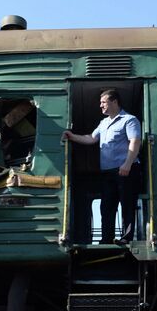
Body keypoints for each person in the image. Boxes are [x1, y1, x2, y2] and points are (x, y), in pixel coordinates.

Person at [62, 89, 142, 244]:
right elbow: (91, 138)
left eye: (104, 102)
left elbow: (135, 141)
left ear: (114, 102)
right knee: (106, 207)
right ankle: (106, 238)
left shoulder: (129, 120)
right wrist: (72, 136)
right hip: (107, 172)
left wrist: (127, 164)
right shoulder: (103, 123)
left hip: (125, 169)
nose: (101, 106)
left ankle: (126, 238)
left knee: (127, 204)